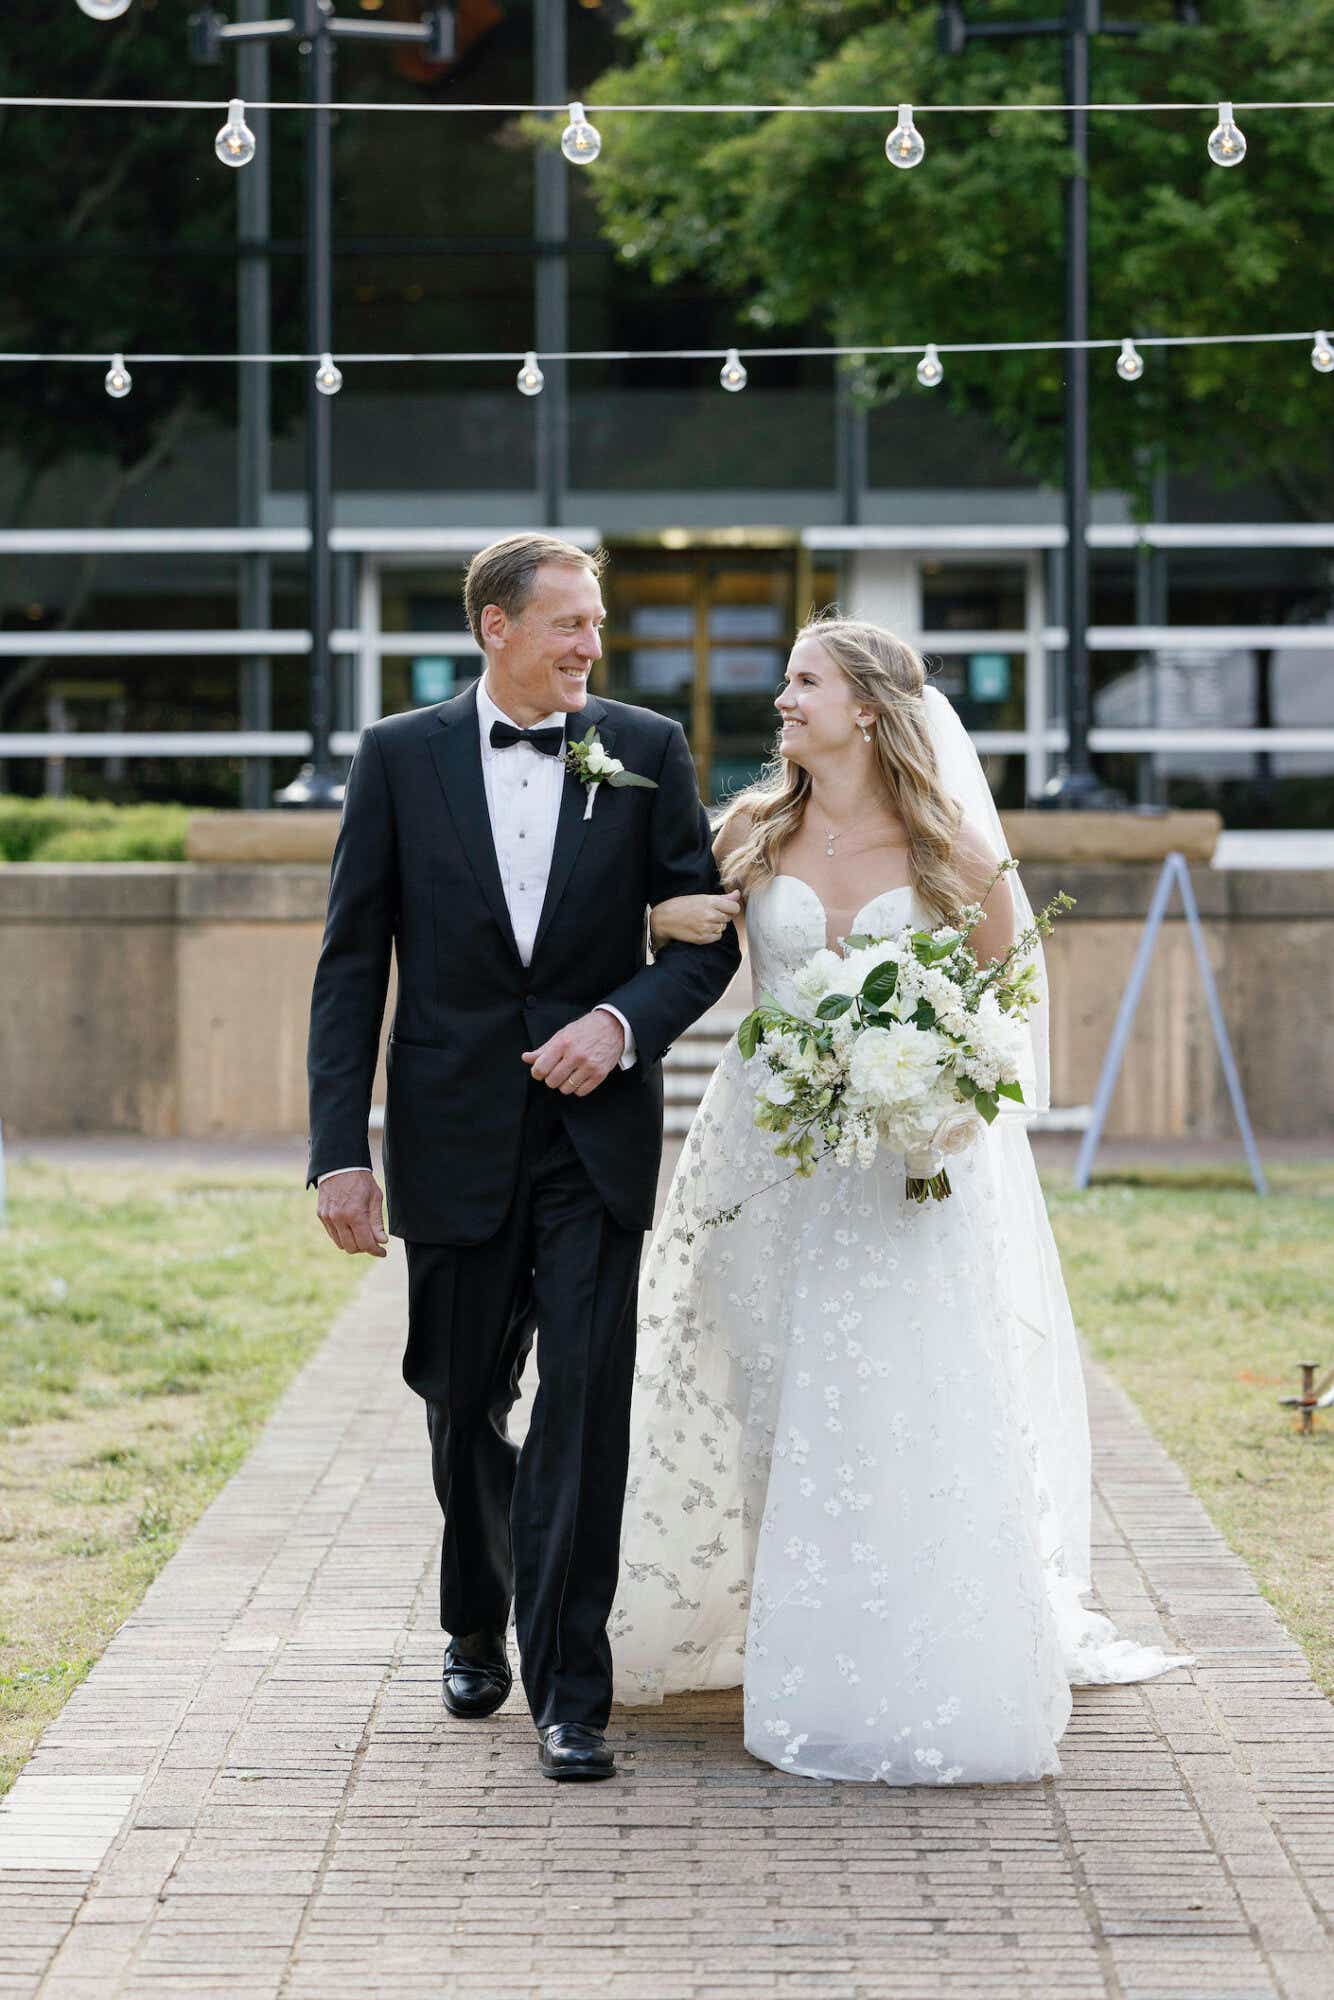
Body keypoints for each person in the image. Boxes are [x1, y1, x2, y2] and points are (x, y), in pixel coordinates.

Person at [613, 614, 1189, 1784]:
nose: (779, 699)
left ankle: (897, 1642)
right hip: (761, 1152)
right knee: (773, 1395)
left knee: (893, 1388)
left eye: (800, 682)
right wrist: (653, 916)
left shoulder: (952, 854)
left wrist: (942, 1098)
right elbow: (676, 937)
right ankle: (791, 1634)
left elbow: (1004, 1005)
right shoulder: (747, 830)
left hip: (901, 1163)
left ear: (865, 707)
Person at [306, 534, 740, 1783]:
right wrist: (342, 1150)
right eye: (569, 625)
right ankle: (472, 1610)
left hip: (594, 1145)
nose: (591, 647)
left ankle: (570, 1688)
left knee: (584, 1409)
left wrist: (618, 1026)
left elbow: (701, 942)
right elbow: (351, 966)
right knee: (457, 1398)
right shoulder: (397, 757)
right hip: (448, 1135)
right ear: (495, 626)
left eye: (597, 626)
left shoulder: (646, 750)